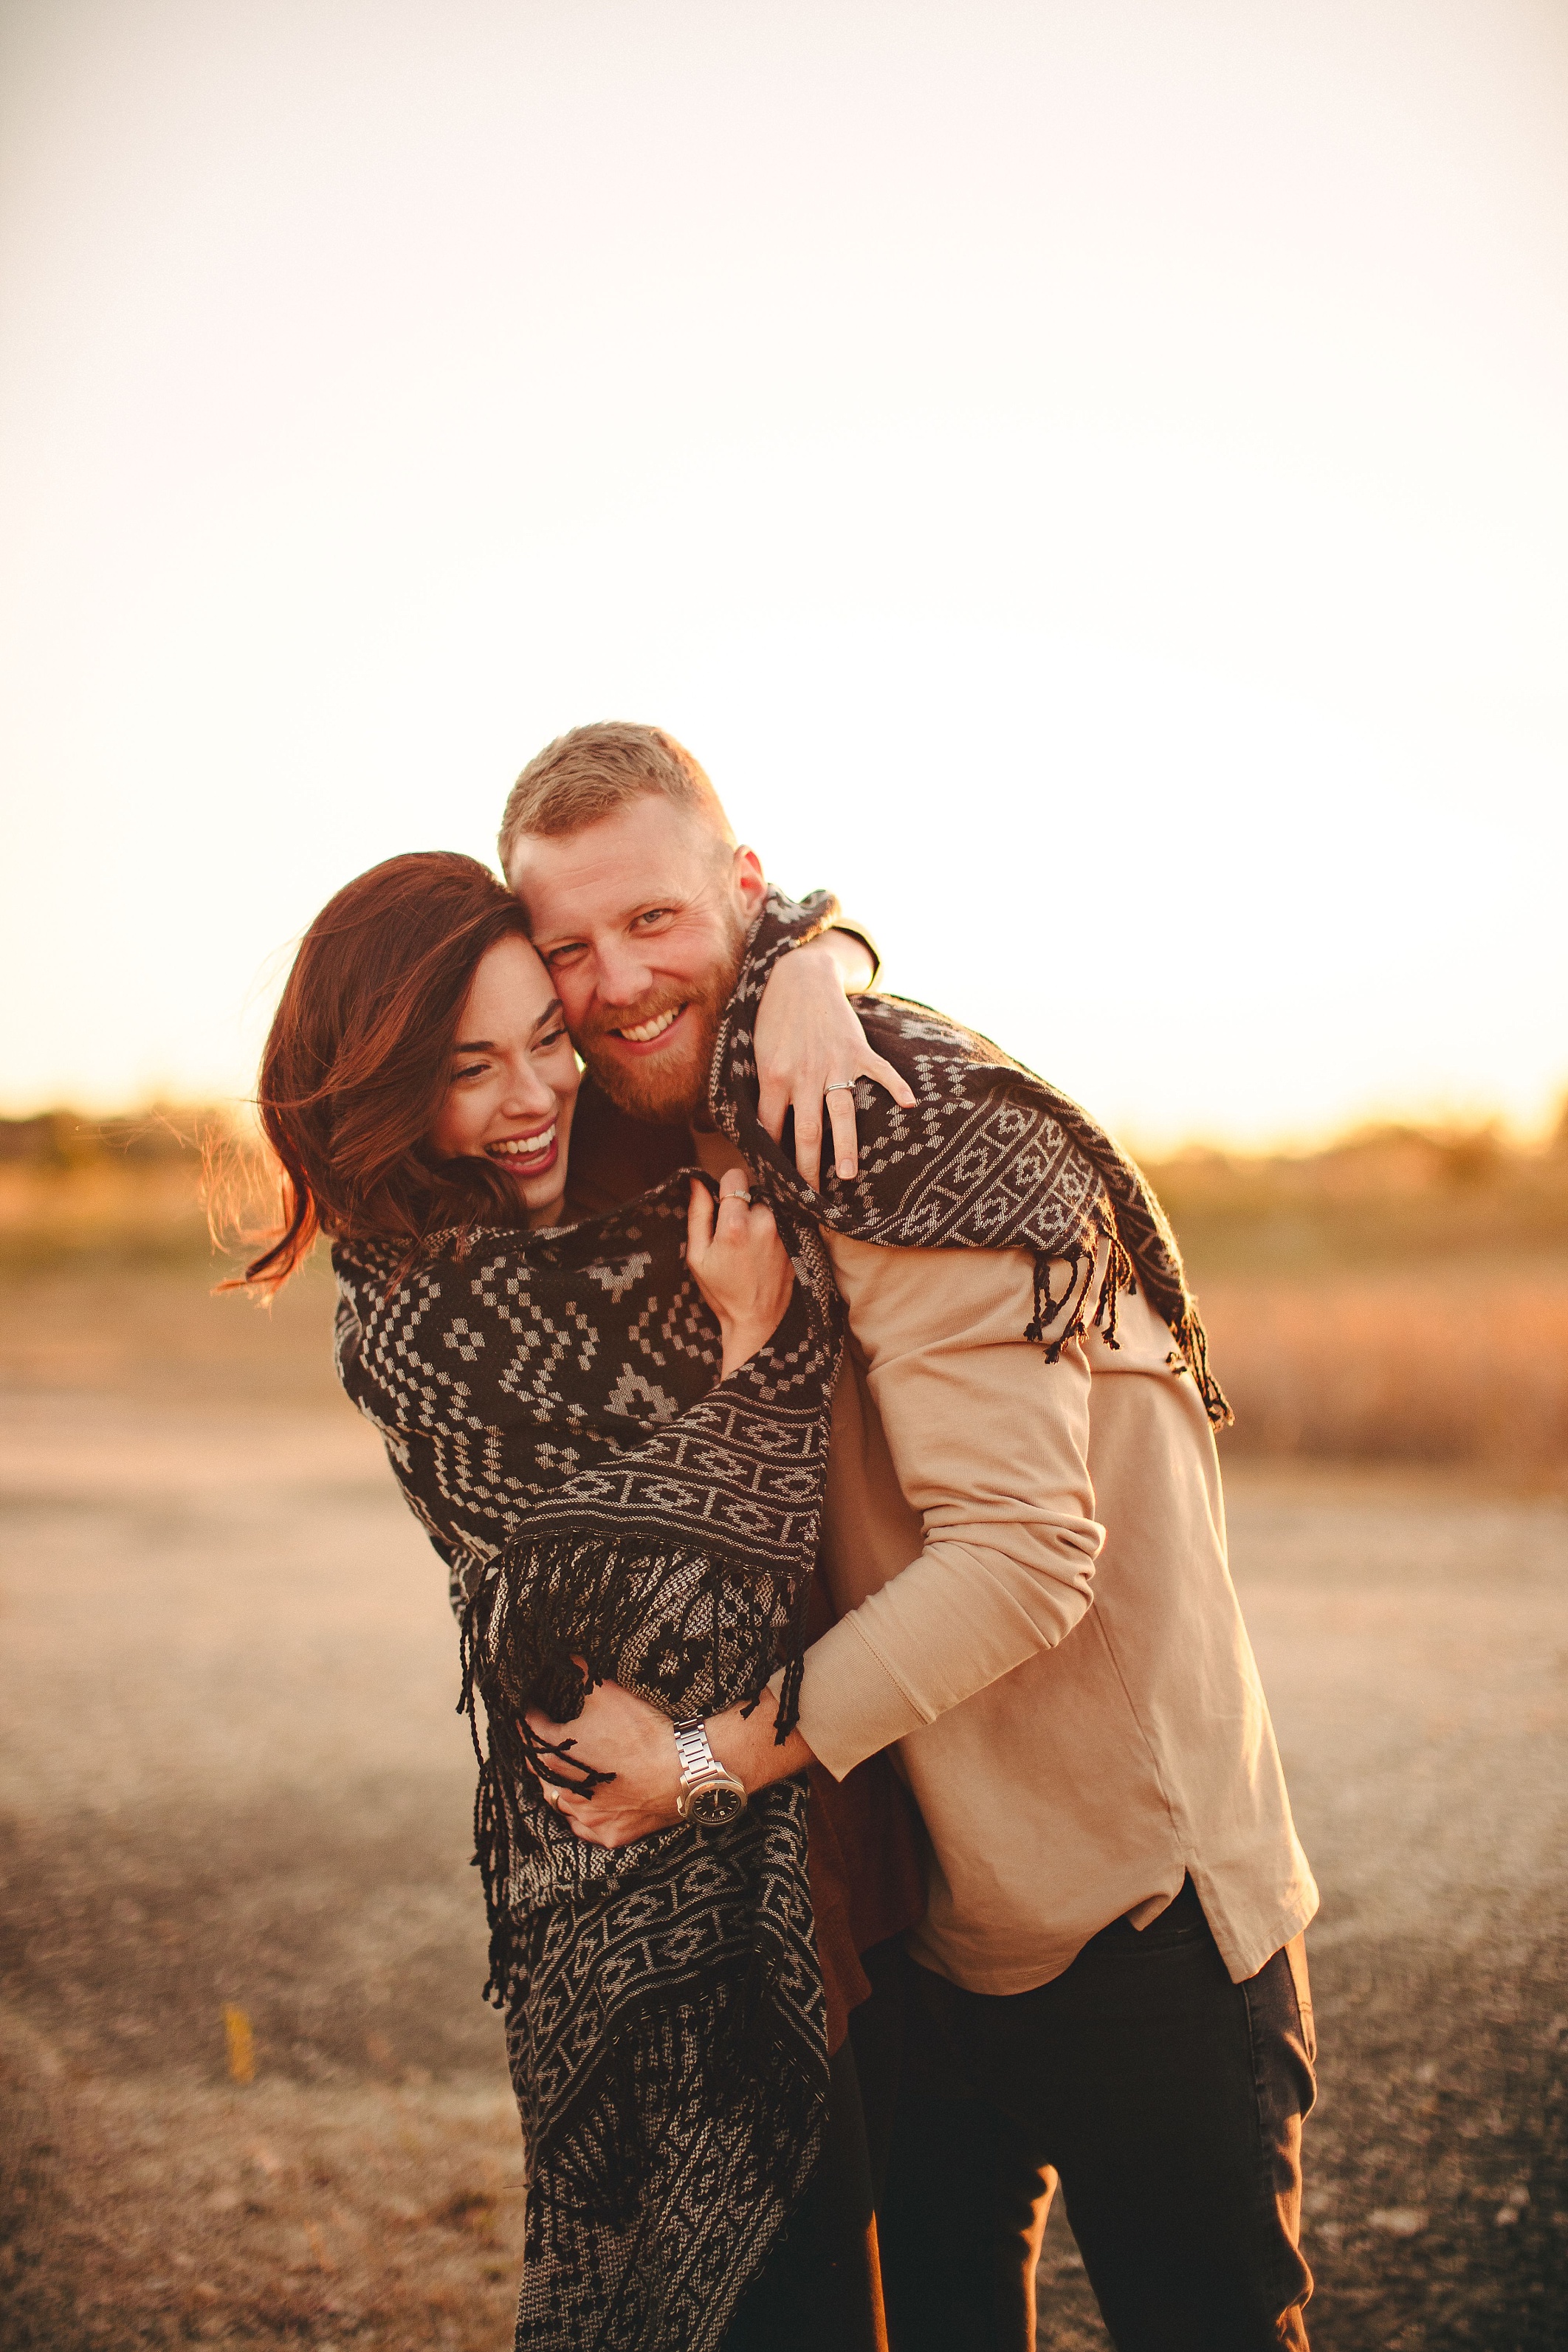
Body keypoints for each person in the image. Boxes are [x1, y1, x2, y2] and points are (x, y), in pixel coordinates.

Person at [494, 721, 1321, 2352]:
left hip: (1129, 1914)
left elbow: (1021, 1560)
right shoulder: (697, 1132)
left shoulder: (903, 1118)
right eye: (568, 949)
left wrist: (708, 1764)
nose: (615, 983)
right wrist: (810, 944)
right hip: (912, 1919)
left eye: (654, 921)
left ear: (739, 888)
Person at [236, 850, 924, 2352]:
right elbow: (668, 1614)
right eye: (469, 1069)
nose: (533, 1093)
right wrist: (757, 1348)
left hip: (811, 1838)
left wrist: (813, 957)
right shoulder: (411, 1322)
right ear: (382, 1088)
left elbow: (712, 966)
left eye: (544, 1039)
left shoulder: (621, 1168)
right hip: (637, 1901)